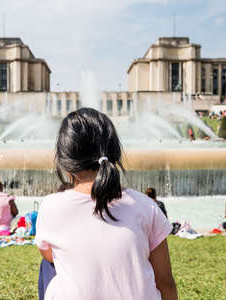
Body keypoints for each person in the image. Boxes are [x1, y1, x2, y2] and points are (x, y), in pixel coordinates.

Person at [35, 108, 177, 300]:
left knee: (49, 265)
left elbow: (50, 256)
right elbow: (165, 282)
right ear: (115, 154)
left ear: (66, 163)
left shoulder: (51, 207)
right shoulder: (147, 206)